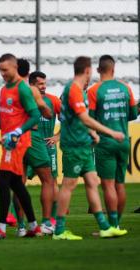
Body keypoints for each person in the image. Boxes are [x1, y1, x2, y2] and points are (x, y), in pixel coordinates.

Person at [53, 56, 128, 240]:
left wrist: (91, 133)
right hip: (74, 146)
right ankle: (59, 230)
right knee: (69, 185)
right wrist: (109, 132)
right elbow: (84, 118)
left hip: (84, 145)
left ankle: (105, 227)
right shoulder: (73, 90)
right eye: (90, 70)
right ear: (87, 70)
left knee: (93, 182)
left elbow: (79, 119)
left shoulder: (77, 90)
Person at [0, 53, 42, 239]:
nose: (2, 73)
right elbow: (3, 117)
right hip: (7, 141)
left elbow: (35, 115)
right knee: (17, 184)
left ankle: (1, 227)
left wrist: (18, 132)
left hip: (17, 143)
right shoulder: (4, 90)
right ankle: (34, 225)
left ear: (14, 67)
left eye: (5, 70)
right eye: (0, 70)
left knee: (2, 180)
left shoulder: (23, 89)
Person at [87, 55, 137, 229]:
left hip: (106, 142)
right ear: (113, 69)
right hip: (123, 140)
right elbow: (133, 115)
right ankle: (116, 225)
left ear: (99, 70)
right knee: (120, 184)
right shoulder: (126, 88)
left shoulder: (94, 91)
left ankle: (112, 225)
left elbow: (90, 119)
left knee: (108, 185)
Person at [13, 59, 54, 236]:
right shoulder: (31, 90)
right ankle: (45, 223)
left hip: (15, 138)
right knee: (47, 180)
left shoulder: (9, 90)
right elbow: (47, 112)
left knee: (19, 184)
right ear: (28, 73)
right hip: (32, 137)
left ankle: (21, 227)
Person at [28, 71, 62, 230]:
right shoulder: (26, 99)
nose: (44, 86)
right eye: (41, 84)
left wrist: (57, 136)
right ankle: (19, 222)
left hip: (48, 147)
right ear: (32, 85)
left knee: (52, 182)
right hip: (29, 145)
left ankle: (52, 220)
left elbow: (69, 119)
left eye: (44, 83)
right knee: (18, 183)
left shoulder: (53, 100)